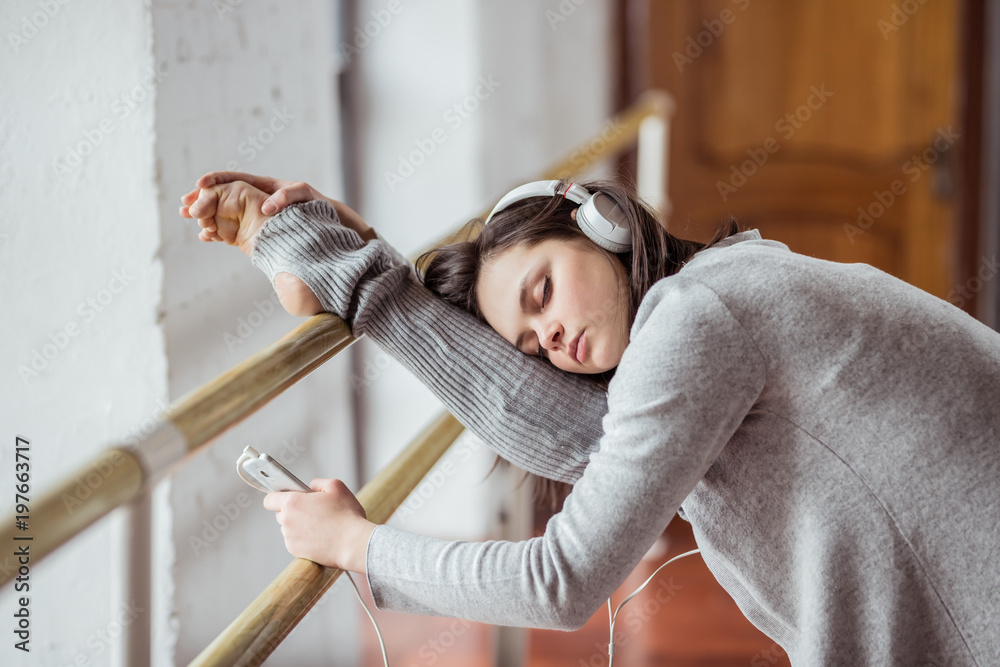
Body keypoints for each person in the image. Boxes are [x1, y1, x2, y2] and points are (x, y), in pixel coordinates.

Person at [180, 171, 1000, 665]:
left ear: (598, 220)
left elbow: (560, 582)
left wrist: (354, 544)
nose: (552, 340)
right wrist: (344, 264)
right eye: (531, 344)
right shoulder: (720, 290)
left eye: (541, 293)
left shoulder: (698, 319)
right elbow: (573, 429)